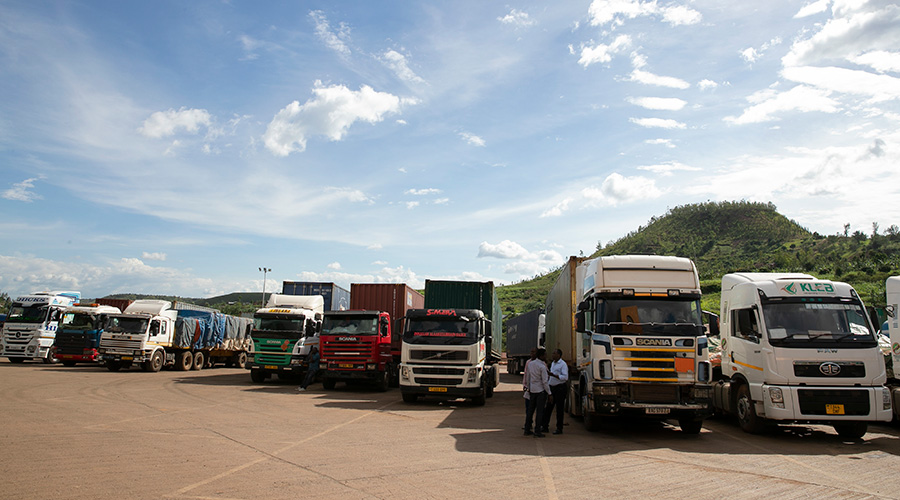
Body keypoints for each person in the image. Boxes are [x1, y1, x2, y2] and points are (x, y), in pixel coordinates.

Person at [523, 348, 552, 437]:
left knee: (530, 411)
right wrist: (549, 393)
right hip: (540, 391)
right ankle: (537, 430)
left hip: (532, 390)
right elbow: (545, 381)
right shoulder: (542, 367)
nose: (546, 357)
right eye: (545, 355)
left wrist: (528, 387)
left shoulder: (531, 364)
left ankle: (527, 429)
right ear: (541, 356)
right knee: (539, 411)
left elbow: (528, 377)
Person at [542, 349, 568, 435]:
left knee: (559, 409)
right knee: (548, 408)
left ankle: (559, 428)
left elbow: (565, 377)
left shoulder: (563, 364)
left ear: (559, 355)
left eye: (554, 353)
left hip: (560, 388)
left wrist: (555, 375)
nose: (552, 355)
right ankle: (545, 426)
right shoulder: (553, 363)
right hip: (552, 388)